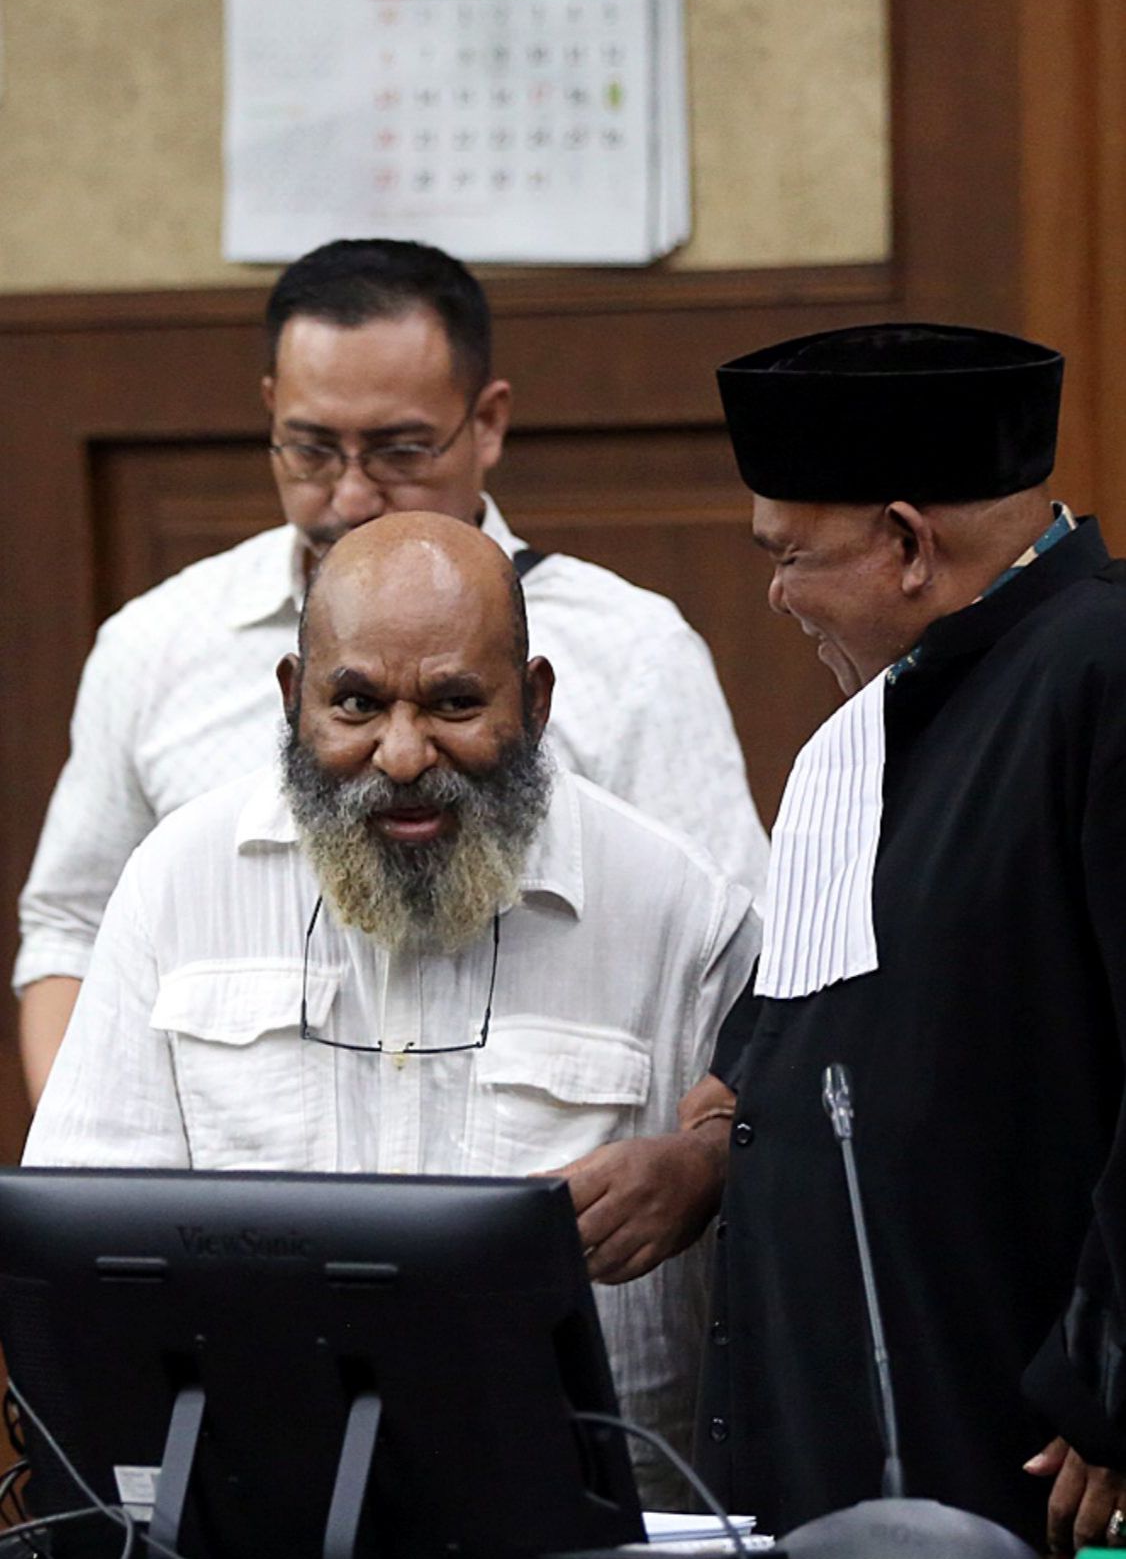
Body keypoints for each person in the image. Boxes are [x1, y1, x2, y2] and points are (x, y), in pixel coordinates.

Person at [24, 512, 759, 1508]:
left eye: (455, 702)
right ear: (294, 701)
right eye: (356, 703)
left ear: (535, 702)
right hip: (249, 1542)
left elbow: (787, 1227)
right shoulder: (177, 886)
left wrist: (709, 1167)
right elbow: (78, 1255)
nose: (404, 753)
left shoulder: (679, 910)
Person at [15, 237, 768, 1104]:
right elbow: (71, 929)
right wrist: (98, 1174)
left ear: (486, 423)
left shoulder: (635, 650)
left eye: (400, 451)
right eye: (309, 450)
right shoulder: (157, 644)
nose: (350, 496)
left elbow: (734, 959)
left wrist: (691, 1165)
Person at [682, 321, 1126, 1557]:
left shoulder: (1102, 671)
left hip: (1032, 1457)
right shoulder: (882, 719)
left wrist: (1112, 1394)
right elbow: (805, 1043)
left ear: (906, 542)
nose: (773, 593)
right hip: (848, 1456)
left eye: (789, 555)